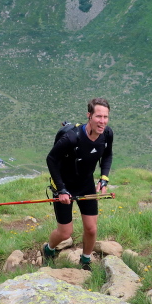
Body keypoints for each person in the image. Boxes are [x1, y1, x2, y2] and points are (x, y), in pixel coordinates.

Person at [44, 98, 113, 270]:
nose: (102, 121)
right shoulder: (71, 138)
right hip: (64, 185)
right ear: (89, 116)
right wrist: (61, 189)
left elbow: (107, 155)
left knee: (91, 229)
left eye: (105, 117)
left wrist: (104, 178)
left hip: (86, 184)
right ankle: (48, 249)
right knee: (65, 233)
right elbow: (51, 159)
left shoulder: (107, 134)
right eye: (98, 116)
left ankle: (85, 260)